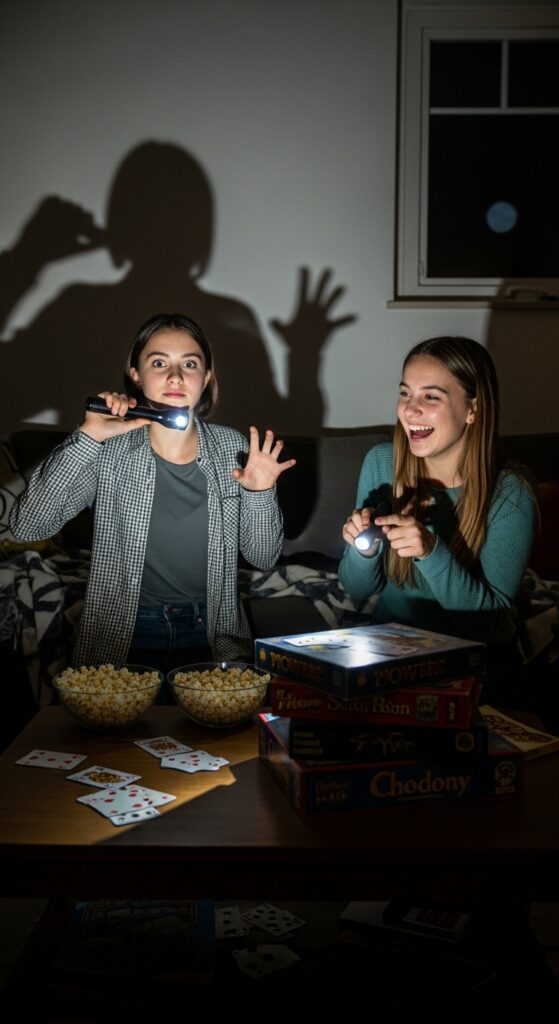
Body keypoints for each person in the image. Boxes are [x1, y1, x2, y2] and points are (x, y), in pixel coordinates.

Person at [10, 313, 295, 672]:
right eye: (159, 363)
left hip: (213, 634)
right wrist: (88, 437)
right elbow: (27, 526)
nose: (175, 376)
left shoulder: (232, 448)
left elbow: (264, 557)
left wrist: (260, 493)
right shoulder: (109, 449)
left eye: (189, 364)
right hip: (123, 636)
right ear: (136, 375)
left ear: (206, 378)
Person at [339, 336, 537, 700]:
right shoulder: (382, 463)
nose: (409, 410)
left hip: (472, 668)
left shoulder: (511, 491)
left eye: (431, 397)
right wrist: (363, 550)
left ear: (473, 409)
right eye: (405, 393)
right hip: (388, 655)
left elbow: (493, 626)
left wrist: (431, 552)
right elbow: (357, 590)